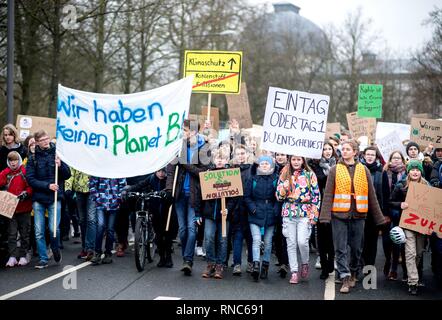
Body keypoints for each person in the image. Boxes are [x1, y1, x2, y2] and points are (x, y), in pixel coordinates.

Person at [319, 140, 386, 294]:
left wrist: (379, 218)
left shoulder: (364, 170)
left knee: (356, 249)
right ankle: (345, 277)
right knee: (340, 249)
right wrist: (324, 216)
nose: (345, 152)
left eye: (348, 149)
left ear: (355, 152)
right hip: (339, 215)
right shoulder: (335, 169)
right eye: (343, 149)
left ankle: (354, 270)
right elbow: (328, 194)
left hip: (359, 215)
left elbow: (372, 196)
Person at [165, 119, 210, 276]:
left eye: (188, 130)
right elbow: (171, 170)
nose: (185, 133)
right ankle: (186, 257)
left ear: (195, 132)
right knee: (183, 230)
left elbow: (203, 173)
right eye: (184, 130)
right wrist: (169, 189)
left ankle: (188, 260)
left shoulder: (204, 148)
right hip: (179, 195)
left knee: (192, 229)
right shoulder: (178, 148)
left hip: (194, 195)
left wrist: (186, 165)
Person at [26, 130, 71, 269]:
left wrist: (61, 165)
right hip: (39, 198)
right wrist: (47, 186)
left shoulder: (57, 153)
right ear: (37, 142)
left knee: (54, 229)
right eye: (43, 140)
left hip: (54, 198)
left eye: (47, 138)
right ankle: (43, 258)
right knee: (39, 231)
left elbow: (67, 175)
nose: (46, 141)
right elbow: (30, 179)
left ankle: (55, 247)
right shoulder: (32, 158)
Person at [277, 155, 321, 284]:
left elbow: (316, 196)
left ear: (303, 161)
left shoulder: (309, 175)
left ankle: (305, 263)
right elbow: (278, 197)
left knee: (302, 241)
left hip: (304, 213)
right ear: (290, 160)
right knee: (291, 243)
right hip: (289, 212)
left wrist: (314, 215)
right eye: (293, 159)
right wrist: (284, 188)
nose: (296, 162)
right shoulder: (284, 174)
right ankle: (294, 271)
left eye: (298, 159)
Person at [196, 149, 238, 279]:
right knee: (208, 238)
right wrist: (198, 213)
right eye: (217, 158)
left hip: (224, 214)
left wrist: (228, 209)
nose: (220, 160)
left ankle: (220, 264)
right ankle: (211, 263)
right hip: (209, 214)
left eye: (223, 158)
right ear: (214, 160)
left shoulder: (231, 174)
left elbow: (234, 195)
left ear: (227, 160)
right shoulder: (208, 174)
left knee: (223, 240)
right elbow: (200, 194)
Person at [389, 160, 428, 295]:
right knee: (410, 252)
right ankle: (413, 282)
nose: (415, 172)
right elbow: (391, 202)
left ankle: (414, 275)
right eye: (412, 169)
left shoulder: (426, 186)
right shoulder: (401, 185)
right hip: (408, 224)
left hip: (422, 226)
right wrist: (400, 204)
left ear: (421, 172)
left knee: (418, 253)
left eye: (417, 170)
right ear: (408, 171)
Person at [125, 168, 178, 268]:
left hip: (167, 212)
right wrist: (128, 190)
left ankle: (169, 258)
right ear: (155, 171)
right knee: (158, 236)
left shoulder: (169, 180)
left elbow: (173, 193)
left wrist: (167, 194)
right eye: (159, 171)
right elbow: (139, 185)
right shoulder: (151, 178)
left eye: (164, 172)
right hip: (155, 211)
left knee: (167, 236)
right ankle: (162, 258)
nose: (161, 174)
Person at [244, 155, 279, 281]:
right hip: (255, 213)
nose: (264, 165)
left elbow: (278, 198)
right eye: (262, 163)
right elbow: (247, 197)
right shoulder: (252, 179)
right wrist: (253, 208)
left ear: (271, 166)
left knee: (268, 243)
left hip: (270, 214)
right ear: (258, 165)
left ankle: (265, 266)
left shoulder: (275, 179)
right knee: (257, 240)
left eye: (267, 163)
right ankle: (256, 265)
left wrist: (275, 209)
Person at [308, 142, 337, 279]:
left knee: (331, 236)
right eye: (324, 149)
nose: (327, 151)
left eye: (329, 149)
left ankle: (331, 261)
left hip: (334, 205)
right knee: (321, 237)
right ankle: (324, 266)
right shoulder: (315, 166)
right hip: (319, 204)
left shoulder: (338, 165)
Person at [0, 152, 33, 267]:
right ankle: (12, 256)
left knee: (25, 233)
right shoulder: (5, 173)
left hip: (24, 207)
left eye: (14, 160)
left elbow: (31, 186)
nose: (13, 163)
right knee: (11, 233)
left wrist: (26, 193)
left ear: (18, 160)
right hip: (10, 209)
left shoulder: (24, 171)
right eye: (10, 160)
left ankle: (23, 255)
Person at [360, 146, 390, 267]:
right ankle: (358, 265)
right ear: (364, 156)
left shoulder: (381, 172)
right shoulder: (358, 169)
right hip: (359, 211)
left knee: (372, 242)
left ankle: (369, 268)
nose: (370, 157)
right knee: (360, 241)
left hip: (374, 212)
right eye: (368, 154)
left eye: (372, 155)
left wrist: (385, 213)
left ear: (376, 157)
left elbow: (385, 193)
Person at [382, 151, 408, 281]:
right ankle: (388, 261)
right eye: (394, 158)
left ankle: (395, 269)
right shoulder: (385, 173)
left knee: (399, 241)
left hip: (402, 213)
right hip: (387, 211)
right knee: (387, 241)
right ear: (390, 160)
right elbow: (382, 194)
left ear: (402, 160)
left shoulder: (408, 173)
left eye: (399, 158)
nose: (396, 160)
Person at [89, 176, 126, 265]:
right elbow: (92, 184)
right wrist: (96, 197)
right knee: (100, 226)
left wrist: (118, 197)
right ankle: (97, 253)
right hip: (100, 203)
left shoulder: (116, 169)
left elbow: (123, 184)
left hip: (114, 204)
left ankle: (108, 253)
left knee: (110, 229)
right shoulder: (99, 168)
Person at [230, 144, 253, 276]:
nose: (241, 156)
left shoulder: (252, 169)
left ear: (247, 154)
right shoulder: (231, 170)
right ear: (235, 156)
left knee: (250, 237)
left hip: (249, 209)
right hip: (236, 208)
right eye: (238, 154)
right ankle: (237, 263)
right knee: (237, 237)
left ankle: (250, 262)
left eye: (243, 153)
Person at [273, 152, 290, 278]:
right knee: (277, 234)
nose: (280, 157)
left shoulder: (291, 169)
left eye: (283, 155)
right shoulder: (271, 168)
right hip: (274, 205)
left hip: (289, 205)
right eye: (278, 154)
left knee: (286, 235)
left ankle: (285, 262)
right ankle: (280, 258)